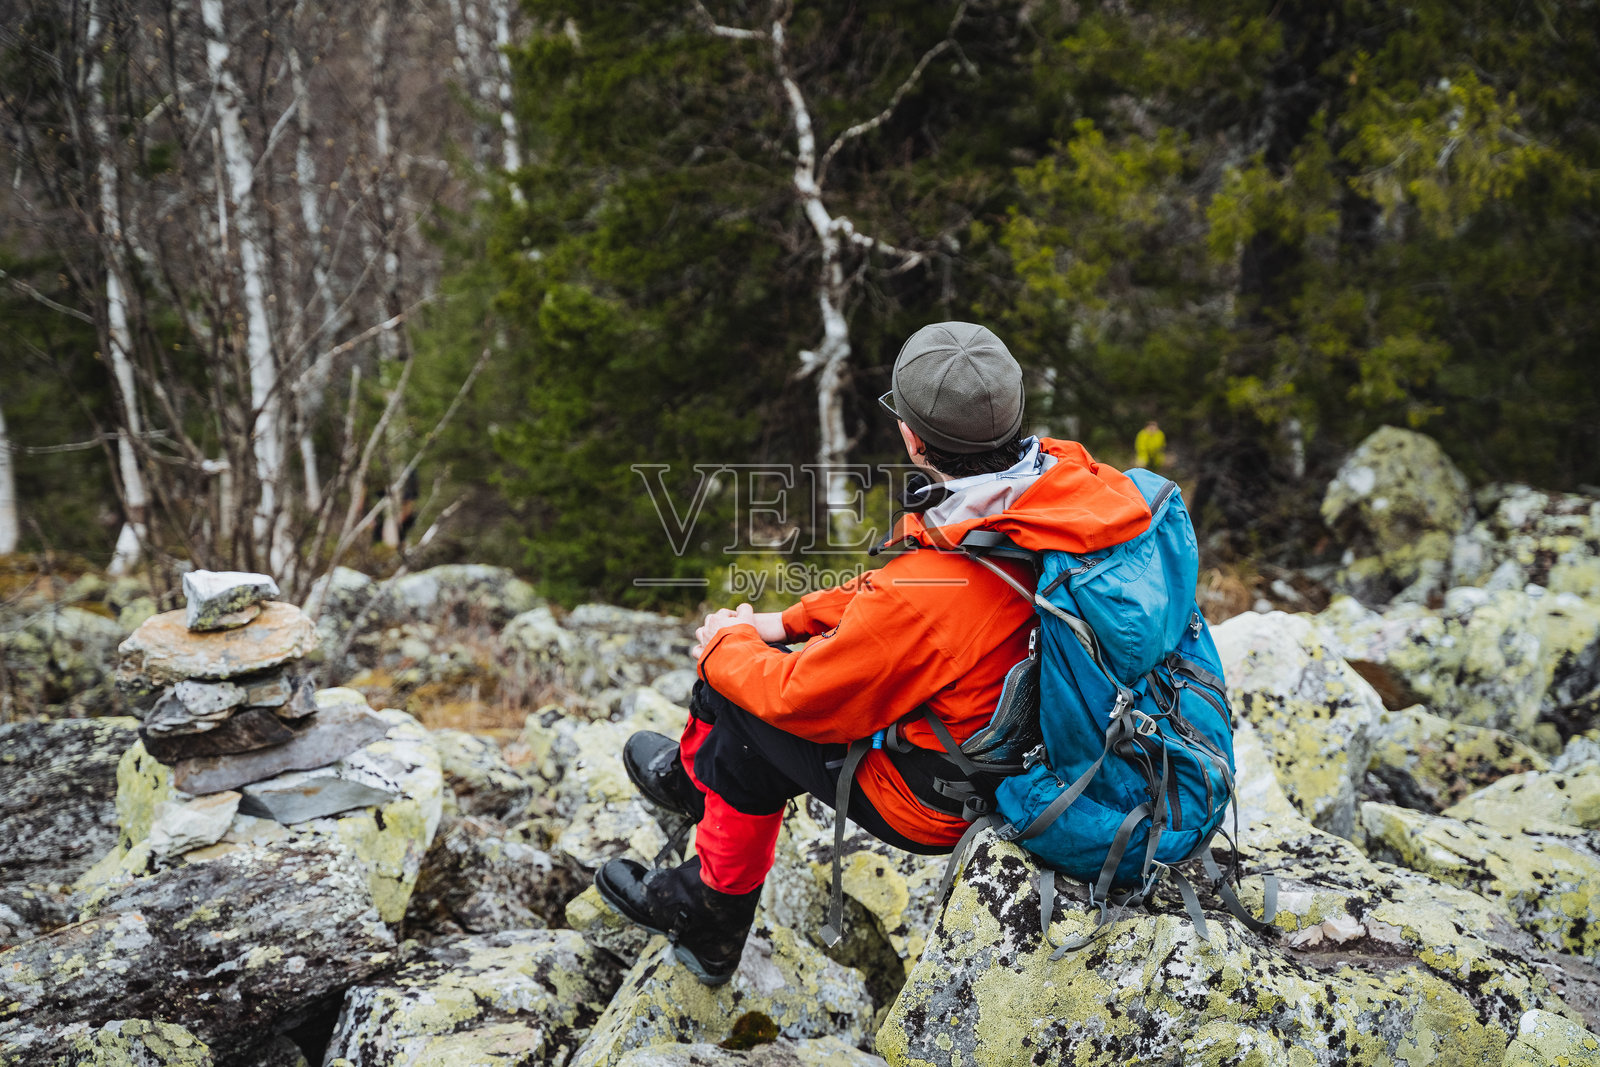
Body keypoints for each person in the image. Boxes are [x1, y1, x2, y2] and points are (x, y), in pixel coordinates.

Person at [595, 321, 1153, 984]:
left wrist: (723, 644)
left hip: (936, 798)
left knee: (746, 710)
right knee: (752, 661)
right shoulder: (1065, 487)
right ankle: (695, 782)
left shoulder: (934, 590)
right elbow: (899, 598)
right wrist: (784, 621)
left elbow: (803, 696)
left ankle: (711, 911)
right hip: (1036, 750)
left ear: (913, 437)